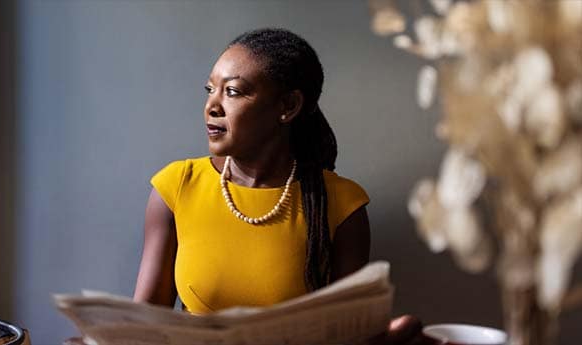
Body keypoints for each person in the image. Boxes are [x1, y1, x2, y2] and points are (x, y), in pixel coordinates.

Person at [65, 28, 427, 345]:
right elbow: (145, 323)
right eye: (210, 89)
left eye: (234, 92)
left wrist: (393, 337)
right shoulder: (175, 187)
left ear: (288, 106)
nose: (212, 106)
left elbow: (351, 335)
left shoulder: (342, 205)